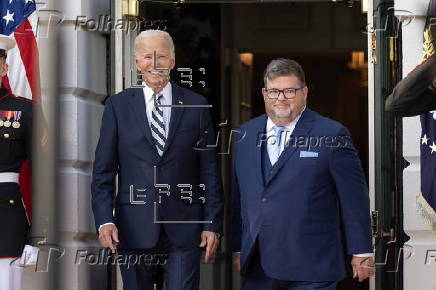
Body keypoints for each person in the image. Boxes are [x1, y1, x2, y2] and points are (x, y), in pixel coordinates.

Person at [91, 30, 223, 290]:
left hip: (185, 231)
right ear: (137, 62)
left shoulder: (196, 106)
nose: (155, 63)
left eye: (161, 56)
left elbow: (210, 171)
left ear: (172, 61)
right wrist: (105, 220)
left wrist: (212, 224)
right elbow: (103, 171)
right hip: (133, 227)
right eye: (147, 57)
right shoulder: (118, 106)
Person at [231, 58, 375, 290]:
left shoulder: (331, 133)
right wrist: (238, 247)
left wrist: (362, 250)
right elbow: (239, 197)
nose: (281, 98)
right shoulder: (245, 134)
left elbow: (354, 198)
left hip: (313, 264)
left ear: (304, 92)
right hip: (259, 264)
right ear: (264, 93)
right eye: (274, 91)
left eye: (290, 91)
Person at [0, 34, 34, 290]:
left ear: (4, 67)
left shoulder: (24, 111)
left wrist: (37, 237)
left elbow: (43, 176)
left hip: (6, 222)